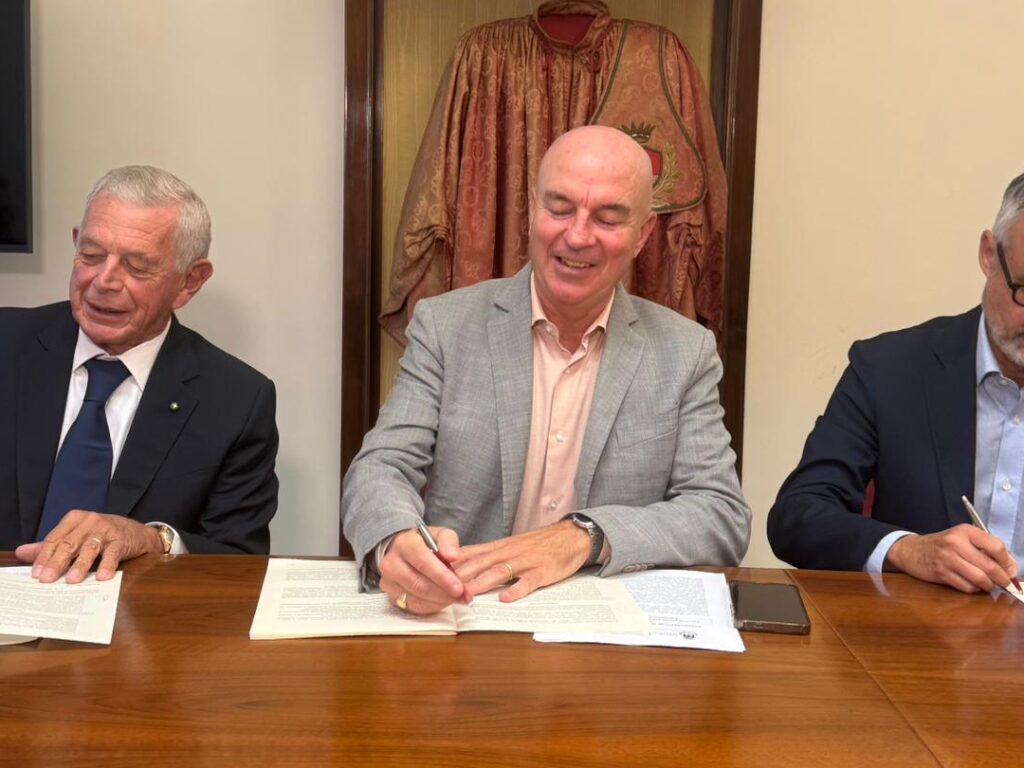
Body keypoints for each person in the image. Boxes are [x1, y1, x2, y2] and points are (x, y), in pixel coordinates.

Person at [342, 125, 750, 616]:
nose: (577, 236)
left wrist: (582, 537)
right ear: (533, 210)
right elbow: (381, 467)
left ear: (642, 236)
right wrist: (395, 540)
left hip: (604, 632)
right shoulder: (446, 327)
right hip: (467, 612)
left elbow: (720, 514)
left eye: (608, 218)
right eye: (559, 208)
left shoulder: (685, 352)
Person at [0, 165, 279, 583]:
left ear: (190, 281)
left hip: (134, 618)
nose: (104, 281)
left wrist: (154, 539)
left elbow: (239, 561)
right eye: (91, 255)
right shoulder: (7, 345)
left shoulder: (236, 400)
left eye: (137, 266)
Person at [768, 172, 1024, 594]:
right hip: (918, 631)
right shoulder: (890, 369)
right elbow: (798, 515)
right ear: (988, 256)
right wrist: (907, 550)